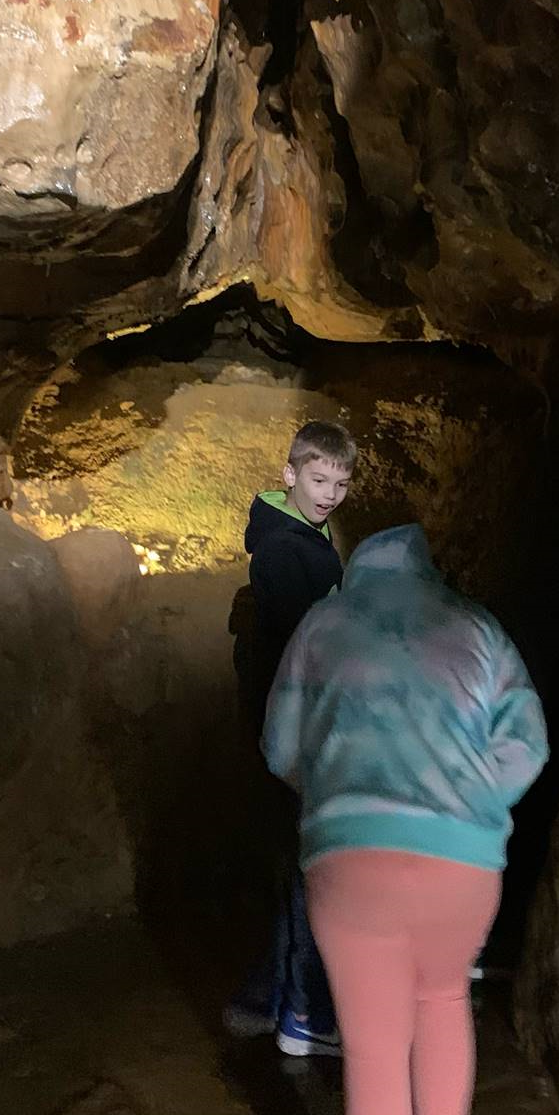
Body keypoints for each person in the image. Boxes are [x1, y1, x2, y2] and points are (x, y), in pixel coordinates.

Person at [263, 525, 548, 1115]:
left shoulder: (324, 623)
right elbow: (528, 743)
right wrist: (468, 805)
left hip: (355, 857)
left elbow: (280, 747)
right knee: (446, 997)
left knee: (377, 1054)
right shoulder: (476, 626)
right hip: (465, 861)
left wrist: (345, 793)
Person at [225, 420, 357, 1057]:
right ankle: (306, 1011)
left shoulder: (303, 532)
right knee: (314, 868)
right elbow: (306, 643)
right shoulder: (285, 548)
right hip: (298, 724)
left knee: (297, 863)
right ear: (290, 475)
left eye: (340, 482)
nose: (330, 492)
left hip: (294, 718)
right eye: (318, 479)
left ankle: (264, 998)